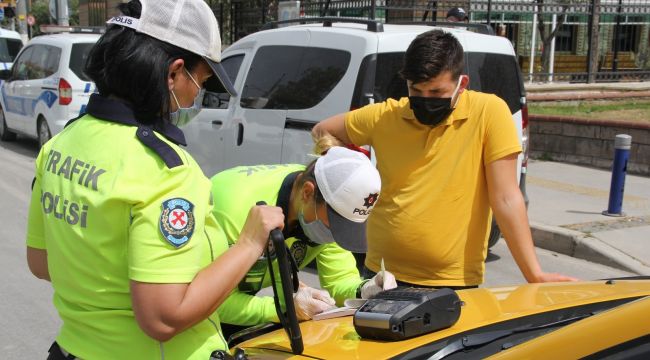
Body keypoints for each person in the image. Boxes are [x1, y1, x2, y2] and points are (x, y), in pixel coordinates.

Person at [25, 1, 285, 359]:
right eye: (202, 81)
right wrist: (250, 243)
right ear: (174, 73)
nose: (198, 96)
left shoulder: (59, 145)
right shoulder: (165, 171)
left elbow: (41, 261)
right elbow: (164, 318)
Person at [312, 30, 578, 289]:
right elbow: (323, 131)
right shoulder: (385, 116)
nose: (425, 100)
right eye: (416, 91)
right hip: (383, 276)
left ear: (461, 84)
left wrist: (534, 273)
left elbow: (506, 197)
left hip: (453, 282)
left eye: (436, 92)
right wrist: (352, 171)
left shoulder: (489, 114)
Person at [211, 141, 397, 339]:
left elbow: (339, 280)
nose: (336, 235)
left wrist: (365, 290)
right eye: (335, 224)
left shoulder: (327, 200)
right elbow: (205, 300)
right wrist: (285, 308)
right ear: (308, 193)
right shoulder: (234, 208)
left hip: (238, 303)